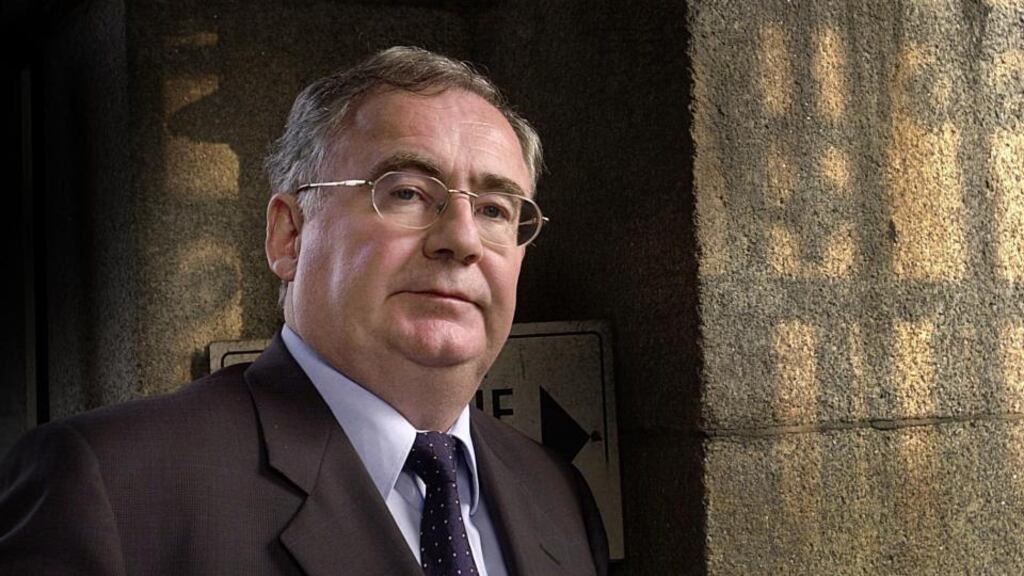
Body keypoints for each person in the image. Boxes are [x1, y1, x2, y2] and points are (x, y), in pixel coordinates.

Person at [0, 46, 609, 575]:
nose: (463, 239)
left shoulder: (558, 496)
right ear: (288, 235)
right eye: (406, 193)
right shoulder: (111, 487)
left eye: (497, 210)